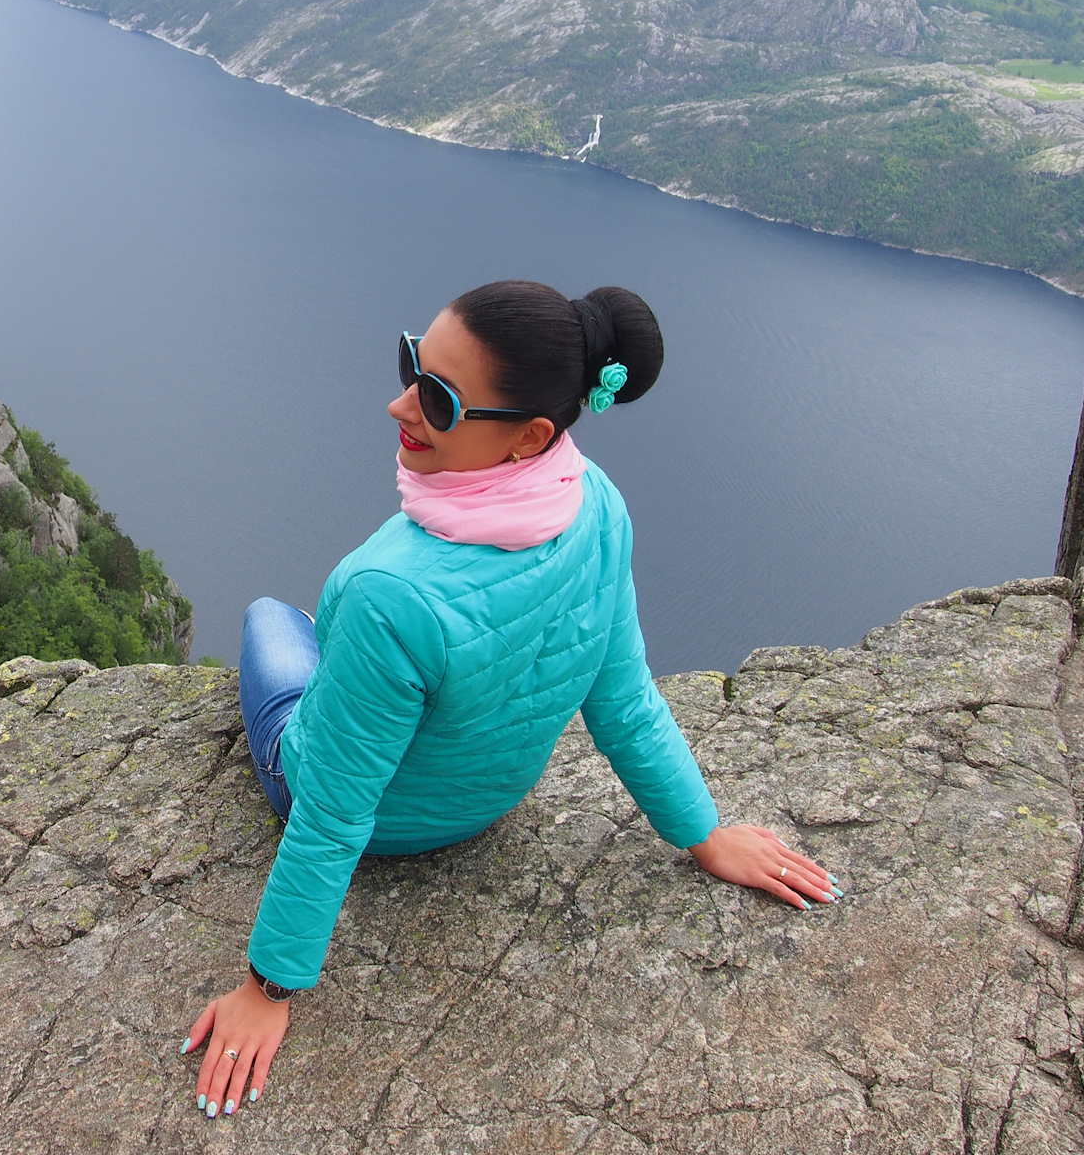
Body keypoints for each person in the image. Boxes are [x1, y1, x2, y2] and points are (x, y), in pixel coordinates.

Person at [180, 280, 839, 1120]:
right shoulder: (596, 503)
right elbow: (623, 697)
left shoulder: (385, 591)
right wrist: (702, 834)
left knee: (272, 618)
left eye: (440, 399)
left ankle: (326, 659)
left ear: (530, 436)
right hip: (485, 802)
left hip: (381, 817)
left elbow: (337, 809)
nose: (399, 403)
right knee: (357, 651)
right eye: (412, 366)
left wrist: (267, 988)